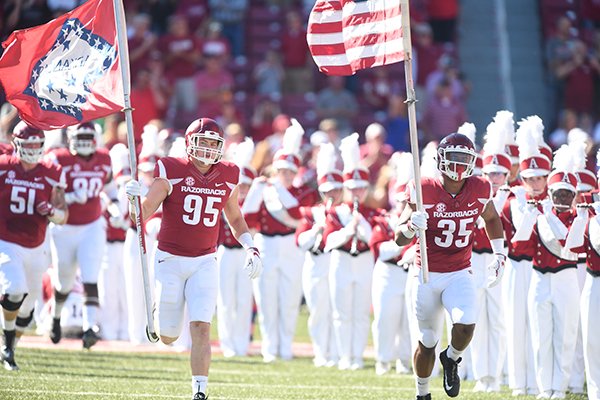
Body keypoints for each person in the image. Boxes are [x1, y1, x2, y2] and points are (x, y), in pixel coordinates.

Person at [125, 118, 262, 400]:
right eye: (204, 142)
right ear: (189, 143)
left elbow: (234, 217)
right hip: (170, 260)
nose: (209, 149)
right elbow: (143, 215)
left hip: (204, 261)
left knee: (201, 326)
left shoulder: (228, 174)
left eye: (215, 143)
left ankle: (199, 391)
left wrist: (250, 246)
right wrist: (134, 201)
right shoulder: (171, 168)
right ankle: (159, 314)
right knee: (168, 336)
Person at [394, 132, 506, 400]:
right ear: (440, 159)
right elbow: (399, 237)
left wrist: (499, 254)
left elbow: (491, 218)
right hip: (427, 274)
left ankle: (452, 358)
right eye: (453, 157)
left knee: (467, 323)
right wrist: (411, 226)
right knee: (428, 339)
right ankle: (422, 393)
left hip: (459, 271)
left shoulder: (479, 188)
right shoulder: (423, 189)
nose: (457, 165)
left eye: (463, 158)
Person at [242, 119, 319, 363]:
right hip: (266, 244)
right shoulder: (265, 190)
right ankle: (269, 347)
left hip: (290, 246)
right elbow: (248, 218)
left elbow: (297, 213)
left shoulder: (297, 193)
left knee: (289, 299)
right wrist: (256, 190)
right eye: (281, 171)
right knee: (266, 299)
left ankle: (285, 346)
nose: (285, 175)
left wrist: (277, 187)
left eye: (289, 171)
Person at [512, 145, 585, 400]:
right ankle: (544, 388)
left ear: (574, 196)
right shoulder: (541, 215)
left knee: (564, 336)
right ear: (550, 193)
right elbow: (520, 244)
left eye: (567, 195)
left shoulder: (578, 219)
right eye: (558, 194)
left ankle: (560, 387)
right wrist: (530, 214)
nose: (562, 200)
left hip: (566, 278)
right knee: (540, 336)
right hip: (539, 278)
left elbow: (570, 245)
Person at [0, 121, 67, 370]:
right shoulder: (4, 166)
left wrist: (52, 212)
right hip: (6, 240)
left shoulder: (51, 171)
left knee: (27, 310)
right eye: (28, 144)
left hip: (36, 245)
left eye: (37, 144)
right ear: (17, 144)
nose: (33, 148)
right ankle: (8, 349)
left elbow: (64, 214)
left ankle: (10, 346)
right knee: (14, 290)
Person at [46, 122, 112, 349]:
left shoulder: (104, 159)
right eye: (79, 136)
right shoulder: (58, 159)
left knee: (90, 276)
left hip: (92, 226)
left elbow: (110, 188)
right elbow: (48, 196)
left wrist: (113, 203)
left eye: (87, 136)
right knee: (63, 281)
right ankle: (55, 318)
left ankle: (89, 327)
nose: (83, 141)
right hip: (64, 228)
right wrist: (72, 197)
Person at [323, 133, 382, 370]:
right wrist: (349, 230)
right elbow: (329, 241)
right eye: (352, 188)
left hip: (364, 259)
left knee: (359, 312)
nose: (357, 193)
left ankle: (357, 356)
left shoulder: (372, 213)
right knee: (341, 312)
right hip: (341, 259)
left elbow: (375, 240)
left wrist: (363, 226)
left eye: (361, 188)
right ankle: (343, 355)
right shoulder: (336, 212)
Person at [295, 142, 344, 367]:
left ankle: (336, 353)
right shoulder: (310, 212)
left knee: (336, 309)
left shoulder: (345, 213)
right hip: (315, 262)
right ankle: (320, 353)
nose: (332, 194)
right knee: (317, 310)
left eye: (336, 190)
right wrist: (316, 228)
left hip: (337, 262)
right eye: (328, 191)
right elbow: (300, 242)